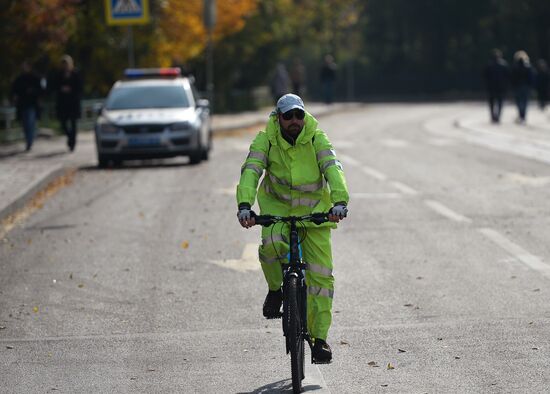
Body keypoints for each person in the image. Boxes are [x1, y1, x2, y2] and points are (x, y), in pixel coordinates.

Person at [236, 94, 349, 363]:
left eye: (299, 115)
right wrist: (244, 205)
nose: (295, 121)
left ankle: (319, 339)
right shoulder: (266, 139)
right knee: (271, 247)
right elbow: (251, 170)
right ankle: (276, 290)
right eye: (288, 116)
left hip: (315, 216)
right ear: (278, 118)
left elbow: (333, 167)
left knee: (321, 278)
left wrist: (340, 201)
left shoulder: (316, 137)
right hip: (277, 212)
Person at [50, 55, 82, 151]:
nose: (65, 66)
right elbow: (54, 86)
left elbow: (80, 88)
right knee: (63, 123)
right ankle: (70, 137)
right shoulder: (59, 75)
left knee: (73, 123)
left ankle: (72, 142)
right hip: (62, 103)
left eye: (67, 64)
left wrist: (71, 89)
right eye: (64, 64)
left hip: (73, 103)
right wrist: (61, 89)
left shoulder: (76, 74)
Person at [10, 60, 43, 151]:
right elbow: (14, 90)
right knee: (24, 124)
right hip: (22, 104)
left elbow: (40, 90)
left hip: (32, 104)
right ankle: (28, 139)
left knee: (30, 122)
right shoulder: (19, 78)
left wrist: (33, 92)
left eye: (25, 66)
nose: (24, 68)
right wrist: (14, 97)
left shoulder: (35, 77)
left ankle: (29, 141)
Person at [483, 49, 509, 123]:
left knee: (492, 103)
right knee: (500, 103)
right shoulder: (504, 65)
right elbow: (507, 77)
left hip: (491, 87)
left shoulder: (489, 65)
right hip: (501, 87)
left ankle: (493, 116)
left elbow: (485, 76)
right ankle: (498, 116)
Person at [510, 50, 534, 123]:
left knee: (519, 102)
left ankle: (521, 114)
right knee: (525, 101)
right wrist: (531, 86)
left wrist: (513, 85)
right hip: (526, 87)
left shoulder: (515, 67)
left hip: (517, 87)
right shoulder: (528, 67)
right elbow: (531, 78)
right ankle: (523, 115)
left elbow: (512, 78)